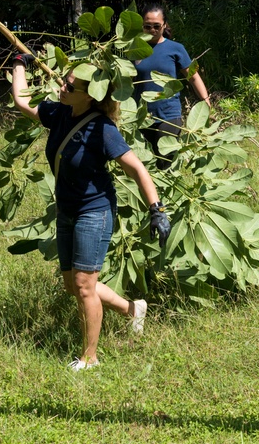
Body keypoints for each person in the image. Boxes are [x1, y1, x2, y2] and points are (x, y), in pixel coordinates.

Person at [11, 52, 171, 371]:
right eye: (64, 81)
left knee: (85, 285)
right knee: (74, 285)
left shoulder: (102, 130)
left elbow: (137, 169)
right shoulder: (59, 113)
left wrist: (157, 209)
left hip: (93, 212)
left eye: (69, 85)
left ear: (90, 94)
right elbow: (22, 100)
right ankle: (133, 309)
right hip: (67, 209)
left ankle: (90, 357)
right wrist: (19, 62)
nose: (61, 87)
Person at [133, 3, 211, 165]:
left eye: (157, 26)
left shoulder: (175, 48)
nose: (152, 30)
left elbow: (193, 76)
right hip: (140, 117)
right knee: (144, 167)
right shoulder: (134, 49)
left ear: (164, 25)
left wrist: (205, 100)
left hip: (168, 116)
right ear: (142, 26)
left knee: (164, 165)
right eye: (147, 26)